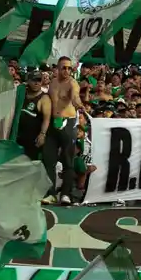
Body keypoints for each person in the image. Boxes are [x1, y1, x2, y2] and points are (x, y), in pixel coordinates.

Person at [45, 57, 83, 203]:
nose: (66, 70)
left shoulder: (73, 83)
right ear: (58, 68)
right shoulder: (53, 82)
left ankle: (66, 193)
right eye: (64, 68)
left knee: (68, 161)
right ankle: (51, 194)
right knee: (49, 160)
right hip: (53, 123)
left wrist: (78, 104)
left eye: (69, 68)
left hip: (68, 122)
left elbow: (75, 97)